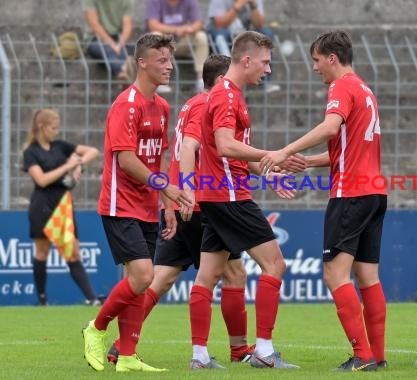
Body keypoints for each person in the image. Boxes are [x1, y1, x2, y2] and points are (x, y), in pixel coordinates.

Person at [105, 54, 255, 366]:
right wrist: (187, 193)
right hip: (201, 204)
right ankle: (237, 350)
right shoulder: (208, 104)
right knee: (232, 272)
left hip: (180, 201)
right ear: (219, 80)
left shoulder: (190, 104)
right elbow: (189, 148)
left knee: (161, 277)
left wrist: (172, 199)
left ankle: (122, 344)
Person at [259, 30, 387, 372]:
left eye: (316, 60)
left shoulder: (342, 86)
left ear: (332, 57)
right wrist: (309, 162)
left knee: (334, 275)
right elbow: (351, 146)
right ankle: (378, 354)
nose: (315, 67)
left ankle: (362, 356)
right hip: (374, 191)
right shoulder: (365, 89)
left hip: (351, 193)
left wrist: (287, 150)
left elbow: (331, 128)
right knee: (368, 277)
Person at [81, 32, 192, 373]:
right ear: (142, 63)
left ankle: (127, 354)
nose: (169, 66)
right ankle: (96, 329)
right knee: (143, 275)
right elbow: (127, 160)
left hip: (147, 206)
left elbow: (157, 158)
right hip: (119, 204)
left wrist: (166, 204)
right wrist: (170, 188)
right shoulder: (125, 105)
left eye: (170, 59)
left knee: (140, 280)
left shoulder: (162, 107)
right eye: (162, 60)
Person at [188, 31, 298, 370]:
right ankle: (263, 351)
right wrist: (273, 154)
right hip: (230, 196)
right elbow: (225, 145)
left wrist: (268, 171)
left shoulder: (227, 94)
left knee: (207, 276)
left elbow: (231, 154)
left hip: (218, 194)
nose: (267, 70)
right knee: (274, 265)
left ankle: (200, 356)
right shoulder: (227, 96)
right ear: (246, 59)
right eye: (265, 63)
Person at [22, 109, 100, 307]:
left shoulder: (60, 146)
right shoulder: (30, 152)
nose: (56, 132)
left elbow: (93, 151)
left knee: (73, 251)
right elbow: (41, 180)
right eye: (53, 128)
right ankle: (42, 300)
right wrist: (68, 166)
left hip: (63, 203)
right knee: (42, 252)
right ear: (42, 127)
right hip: (42, 205)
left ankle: (92, 298)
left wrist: (78, 165)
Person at [146, 0, 209, 93]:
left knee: (201, 36)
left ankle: (201, 80)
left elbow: (198, 23)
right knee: (155, 35)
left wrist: (189, 29)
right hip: (164, 43)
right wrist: (175, 29)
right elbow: (153, 25)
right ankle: (158, 80)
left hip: (183, 42)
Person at [83, 0, 135, 80]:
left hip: (119, 39)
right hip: (95, 39)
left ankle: (126, 73)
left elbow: (128, 26)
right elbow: (94, 24)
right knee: (108, 51)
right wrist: (113, 46)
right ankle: (123, 69)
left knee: (139, 50)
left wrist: (119, 45)